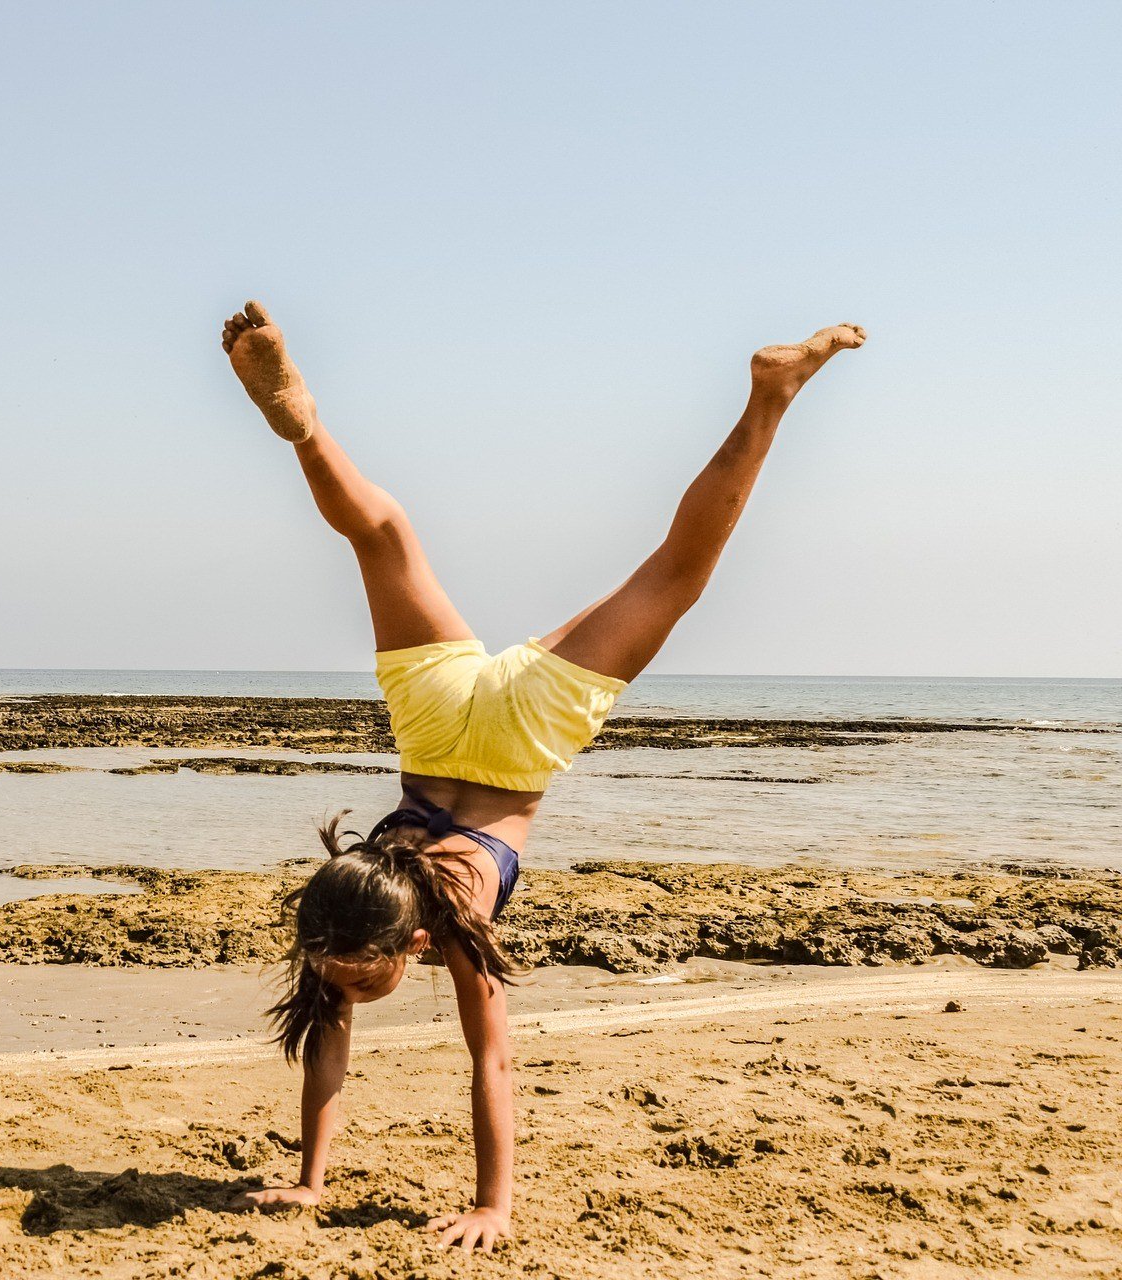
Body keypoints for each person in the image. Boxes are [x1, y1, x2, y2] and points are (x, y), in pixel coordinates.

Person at [219, 300, 865, 1251]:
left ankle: (771, 395)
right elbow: (342, 1042)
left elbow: (495, 1063)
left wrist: (495, 1207)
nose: (346, 997)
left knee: (679, 574)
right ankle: (306, 429)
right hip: (434, 719)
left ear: (407, 945)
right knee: (384, 536)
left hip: (517, 742)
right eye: (347, 981)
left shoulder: (454, 922)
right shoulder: (345, 902)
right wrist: (310, 1183)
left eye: (358, 984)